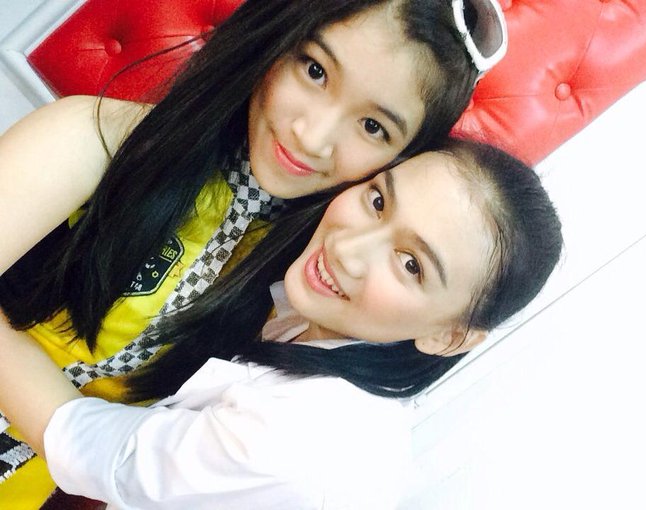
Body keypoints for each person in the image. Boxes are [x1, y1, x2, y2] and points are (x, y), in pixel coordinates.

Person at [0, 0, 508, 500]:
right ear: (275, 38)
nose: (311, 136)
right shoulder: (102, 142)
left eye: (373, 127)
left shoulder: (309, 289)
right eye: (315, 70)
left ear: (402, 159)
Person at [0, 137, 563, 508]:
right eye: (377, 201)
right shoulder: (312, 319)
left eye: (411, 264)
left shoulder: (315, 444)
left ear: (448, 335)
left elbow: (92, 450)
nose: (349, 249)